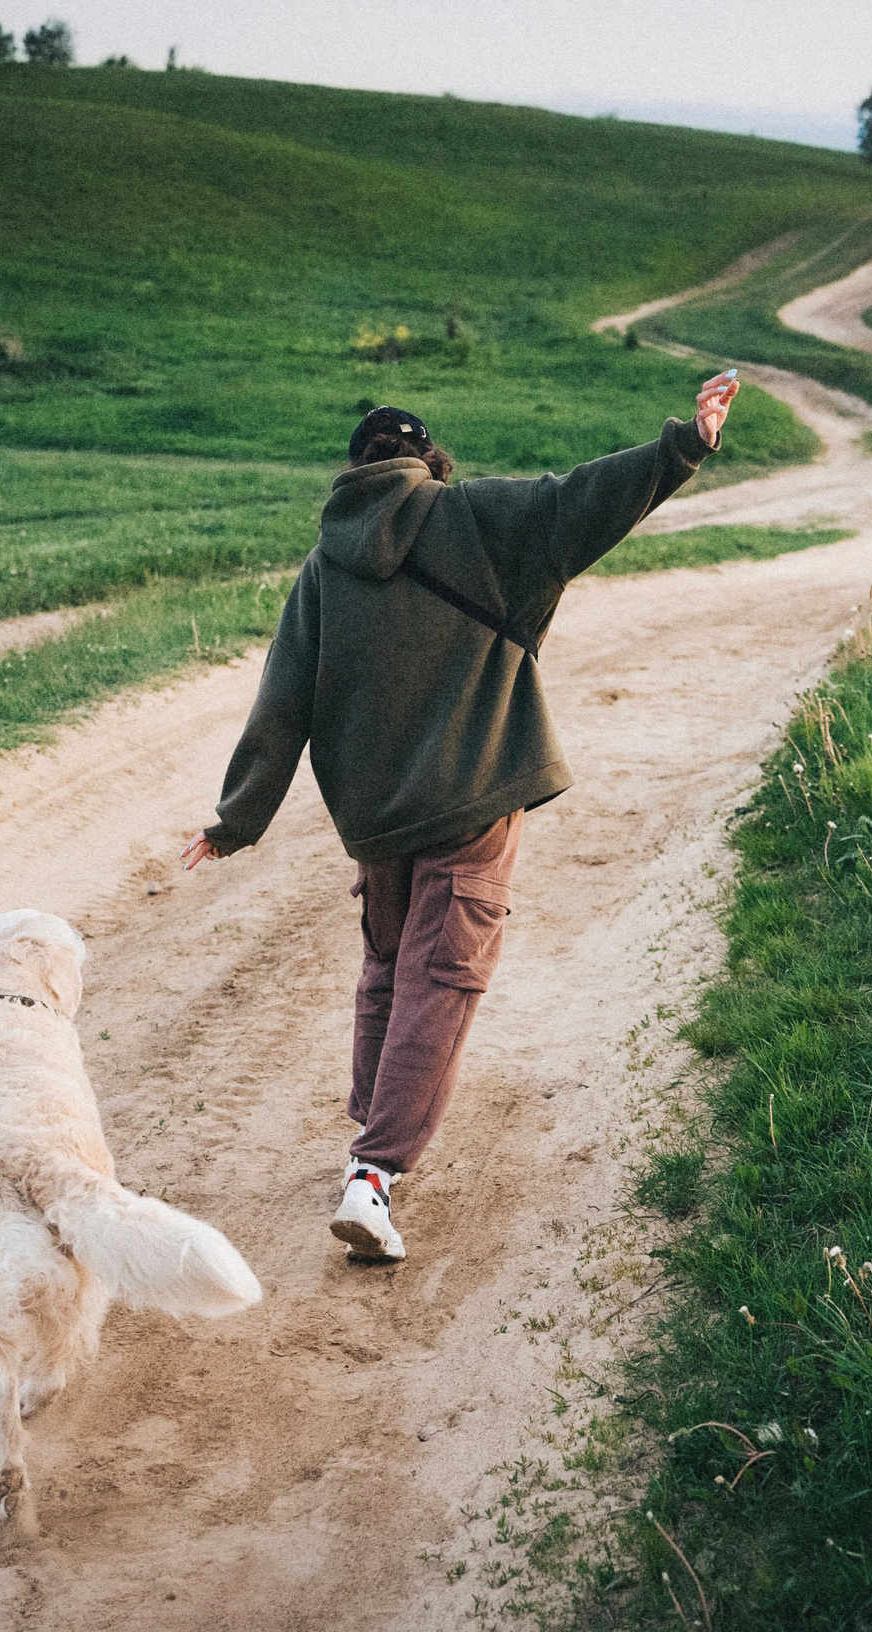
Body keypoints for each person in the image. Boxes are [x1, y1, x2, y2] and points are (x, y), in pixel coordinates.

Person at [181, 372, 741, 1260]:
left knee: (386, 965)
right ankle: (373, 1176)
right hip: (473, 795)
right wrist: (684, 445)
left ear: (354, 473)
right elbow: (578, 503)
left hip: (378, 817)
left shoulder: (324, 569)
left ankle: (371, 1131)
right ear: (428, 461)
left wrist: (234, 820)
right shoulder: (474, 516)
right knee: (442, 977)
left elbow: (280, 701)